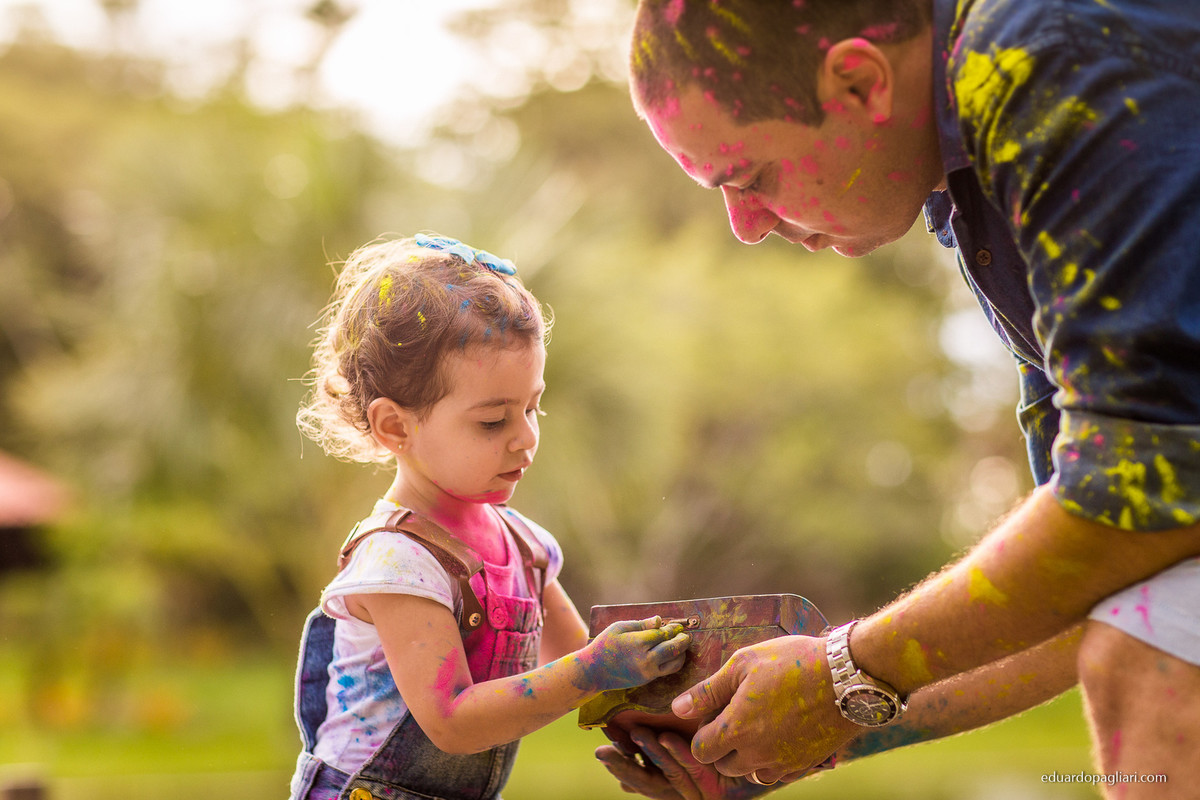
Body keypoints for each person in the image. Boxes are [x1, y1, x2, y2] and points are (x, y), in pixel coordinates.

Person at [598, 1, 1200, 797]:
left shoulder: (1046, 51)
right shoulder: (965, 176)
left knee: (1154, 666)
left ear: (857, 81)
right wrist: (822, 722)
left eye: (748, 177)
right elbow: (1105, 560)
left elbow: (1144, 498)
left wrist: (842, 673)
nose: (743, 224)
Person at [287, 234, 692, 800]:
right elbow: (451, 720)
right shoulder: (399, 560)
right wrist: (596, 670)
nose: (526, 438)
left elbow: (584, 669)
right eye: (493, 421)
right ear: (396, 427)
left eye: (533, 406)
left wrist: (679, 729)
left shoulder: (526, 548)